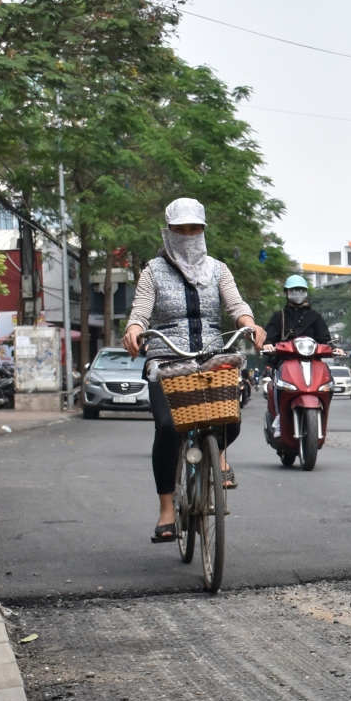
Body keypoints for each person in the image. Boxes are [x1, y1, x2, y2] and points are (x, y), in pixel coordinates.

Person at [123, 198, 266, 543]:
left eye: (194, 229)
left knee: (228, 417)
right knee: (168, 427)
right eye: (181, 230)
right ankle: (167, 510)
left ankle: (220, 455)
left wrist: (250, 325)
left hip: (210, 355)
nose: (188, 235)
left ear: (203, 231)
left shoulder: (218, 269)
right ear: (169, 233)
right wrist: (133, 329)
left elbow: (235, 304)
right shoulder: (152, 271)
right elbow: (141, 311)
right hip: (166, 360)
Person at [262, 274, 331, 365]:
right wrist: (267, 344)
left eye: (301, 290)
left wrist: (333, 348)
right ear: (286, 292)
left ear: (306, 292)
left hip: (313, 362)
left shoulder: (315, 316)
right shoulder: (279, 316)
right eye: (294, 290)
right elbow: (268, 338)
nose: (298, 292)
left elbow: (325, 340)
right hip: (285, 362)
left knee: (326, 375)